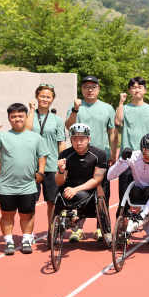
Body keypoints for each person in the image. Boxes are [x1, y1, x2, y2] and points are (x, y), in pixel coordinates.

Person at [0, 103, 49, 255]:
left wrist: (41, 171)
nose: (17, 119)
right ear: (9, 118)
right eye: (13, 116)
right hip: (6, 185)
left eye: (20, 116)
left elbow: (42, 156)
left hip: (28, 184)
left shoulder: (36, 137)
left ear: (26, 117)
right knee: (7, 214)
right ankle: (8, 242)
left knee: (26, 214)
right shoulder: (2, 136)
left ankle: (26, 239)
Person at [65, 76, 117, 242]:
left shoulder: (107, 108)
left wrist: (113, 153)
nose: (90, 89)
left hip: (101, 156)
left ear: (98, 89)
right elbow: (68, 125)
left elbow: (112, 132)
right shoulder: (74, 107)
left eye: (93, 86)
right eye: (86, 86)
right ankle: (77, 230)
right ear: (82, 89)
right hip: (79, 156)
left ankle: (101, 228)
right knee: (78, 191)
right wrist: (75, 109)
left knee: (103, 194)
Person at [54, 123, 109, 243]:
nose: (78, 143)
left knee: (100, 190)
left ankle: (100, 228)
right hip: (70, 189)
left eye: (82, 139)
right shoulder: (65, 155)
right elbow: (59, 182)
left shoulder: (99, 154)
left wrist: (76, 189)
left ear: (88, 139)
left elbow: (97, 180)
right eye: (75, 139)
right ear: (71, 140)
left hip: (92, 189)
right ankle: (76, 228)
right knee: (62, 195)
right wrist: (61, 170)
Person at [113, 77, 149, 217]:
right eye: (133, 87)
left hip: (148, 158)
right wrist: (121, 102)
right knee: (125, 196)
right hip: (129, 158)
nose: (137, 89)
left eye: (140, 87)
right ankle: (122, 231)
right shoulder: (125, 108)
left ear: (145, 90)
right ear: (129, 91)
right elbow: (117, 121)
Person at [25, 84, 66, 236]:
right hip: (31, 166)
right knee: (30, 203)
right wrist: (30, 109)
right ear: (37, 96)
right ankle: (28, 235)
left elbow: (61, 143)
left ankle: (52, 232)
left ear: (52, 99)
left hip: (51, 166)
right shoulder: (29, 116)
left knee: (52, 202)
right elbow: (26, 131)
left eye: (48, 97)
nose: (45, 99)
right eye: (42, 96)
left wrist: (62, 161)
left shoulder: (57, 120)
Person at [107, 133, 149, 241]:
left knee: (148, 191)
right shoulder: (135, 156)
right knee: (135, 192)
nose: (146, 154)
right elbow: (110, 176)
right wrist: (121, 160)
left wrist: (144, 213)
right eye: (144, 149)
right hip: (137, 192)